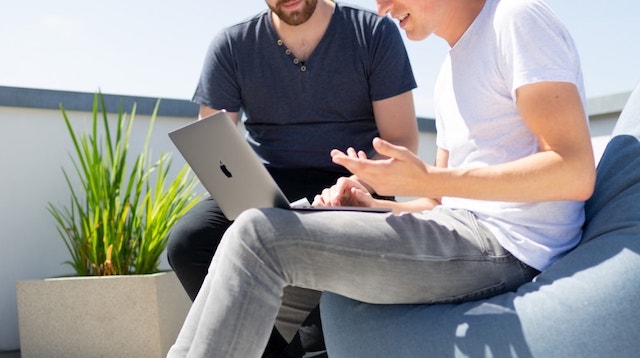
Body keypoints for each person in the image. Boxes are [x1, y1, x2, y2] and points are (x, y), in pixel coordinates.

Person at [167, 0, 596, 356]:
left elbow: (574, 171)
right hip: (462, 231)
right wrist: (374, 206)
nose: (384, 8)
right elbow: (439, 204)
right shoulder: (452, 68)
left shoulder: (515, 19)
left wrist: (428, 178)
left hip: (508, 248)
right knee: (256, 236)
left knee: (259, 236)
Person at [166, 0, 418, 356]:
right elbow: (212, 147)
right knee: (189, 242)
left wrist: (361, 186)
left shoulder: (373, 32)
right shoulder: (232, 45)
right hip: (269, 187)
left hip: (353, 185)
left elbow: (401, 140)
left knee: (319, 333)